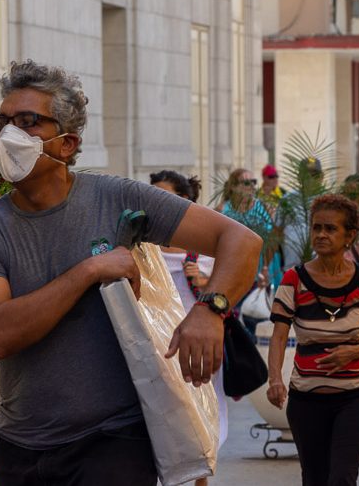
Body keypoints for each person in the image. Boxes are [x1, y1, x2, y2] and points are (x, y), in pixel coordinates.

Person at [0, 60, 261, 485]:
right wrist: (91, 268)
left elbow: (242, 242)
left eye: (27, 122)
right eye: (1, 122)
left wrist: (211, 309)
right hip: (20, 448)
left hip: (113, 443)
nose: (8, 135)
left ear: (67, 143)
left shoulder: (116, 197)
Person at [266, 194, 359, 486]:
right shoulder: (293, 280)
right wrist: (275, 379)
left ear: (350, 236)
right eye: (316, 227)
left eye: (330, 229)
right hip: (306, 400)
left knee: (343, 478)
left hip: (355, 397)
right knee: (314, 478)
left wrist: (358, 350)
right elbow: (279, 334)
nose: (321, 234)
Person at [149, 170, 227, 486]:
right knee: (165, 405)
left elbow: (225, 292)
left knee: (205, 402)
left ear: (183, 201)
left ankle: (202, 473)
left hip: (200, 336)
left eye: (162, 195)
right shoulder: (146, 244)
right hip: (160, 338)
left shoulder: (204, 246)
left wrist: (205, 281)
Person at [220, 168, 282, 332]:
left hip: (261, 267)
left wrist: (266, 268)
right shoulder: (223, 209)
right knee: (232, 315)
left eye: (253, 182)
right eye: (246, 182)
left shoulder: (265, 207)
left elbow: (273, 241)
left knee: (259, 315)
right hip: (233, 269)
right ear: (233, 187)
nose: (251, 186)